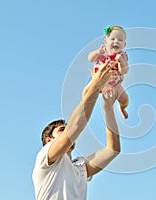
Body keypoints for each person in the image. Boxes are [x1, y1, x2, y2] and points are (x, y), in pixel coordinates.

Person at [32, 60, 121, 200]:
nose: (66, 130)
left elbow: (113, 150)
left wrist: (108, 109)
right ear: (49, 140)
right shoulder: (45, 158)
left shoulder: (80, 167)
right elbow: (75, 127)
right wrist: (95, 87)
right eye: (61, 130)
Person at [83, 25, 129, 119]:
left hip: (114, 83)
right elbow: (90, 59)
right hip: (98, 79)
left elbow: (124, 71)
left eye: (120, 40)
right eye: (112, 39)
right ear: (106, 42)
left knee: (125, 99)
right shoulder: (102, 52)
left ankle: (122, 108)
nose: (116, 41)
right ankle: (84, 107)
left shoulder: (122, 56)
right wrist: (96, 53)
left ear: (124, 45)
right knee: (86, 91)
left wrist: (120, 61)